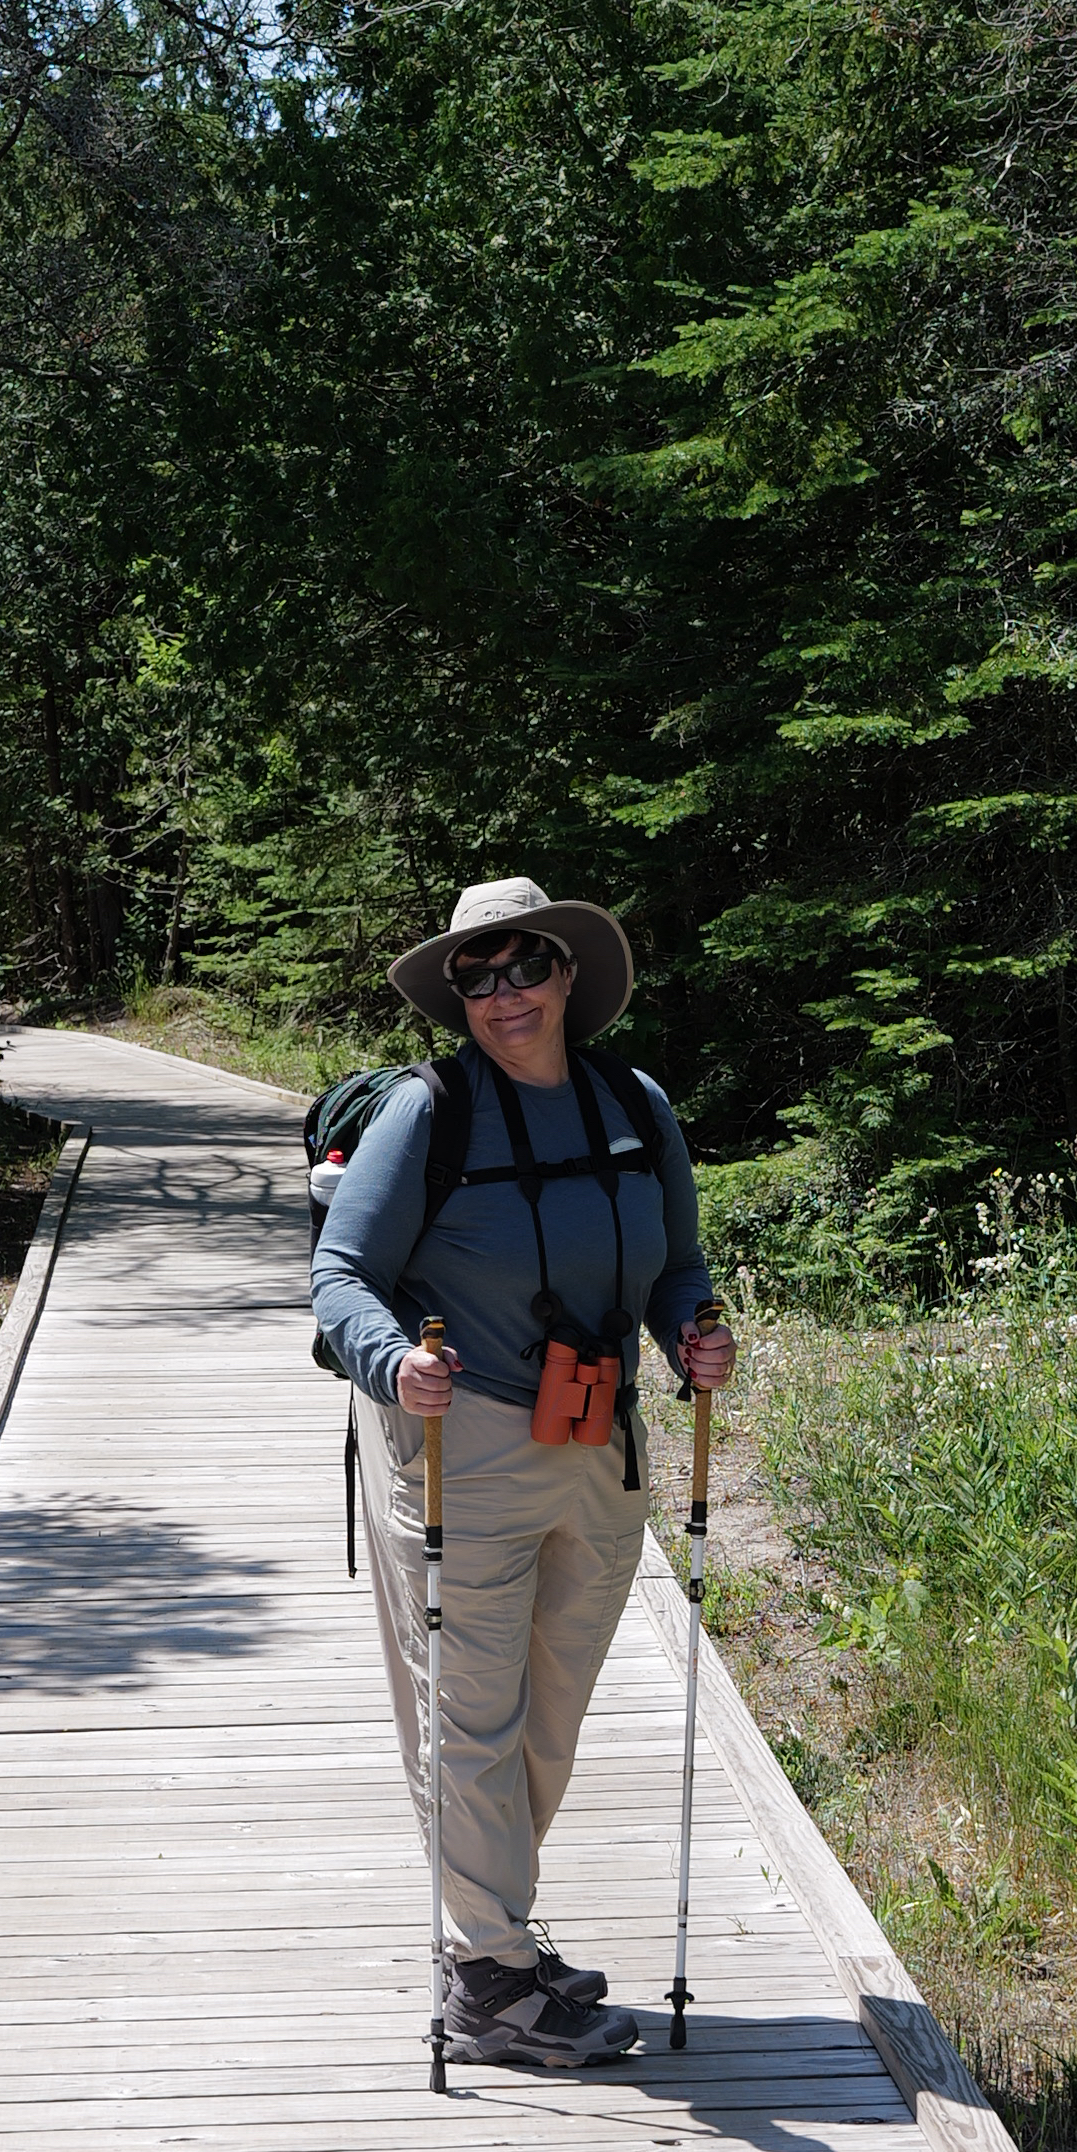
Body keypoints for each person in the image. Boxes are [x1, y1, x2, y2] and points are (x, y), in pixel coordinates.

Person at [310, 873, 735, 2072]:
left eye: (524, 966)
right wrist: (395, 1365)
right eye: (476, 975)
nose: (502, 993)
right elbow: (339, 1277)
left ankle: (491, 1939)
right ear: (458, 994)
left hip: (600, 1442)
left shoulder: (632, 1103)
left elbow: (675, 1265)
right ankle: (490, 1971)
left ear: (568, 975)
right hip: (466, 1445)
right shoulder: (426, 1114)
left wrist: (693, 1332)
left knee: (548, 1713)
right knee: (471, 1711)